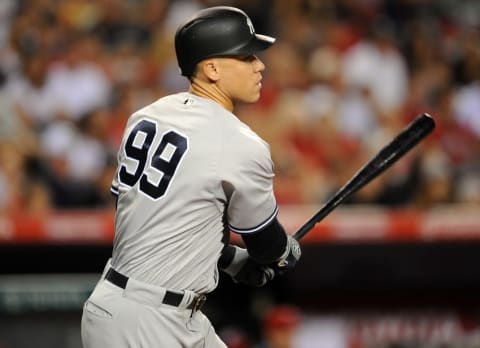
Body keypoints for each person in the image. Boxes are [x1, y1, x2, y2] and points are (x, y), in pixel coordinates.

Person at [81, 6, 301, 348]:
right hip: (149, 323)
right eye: (246, 57)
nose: (260, 65)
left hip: (136, 309)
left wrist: (228, 259)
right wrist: (283, 251)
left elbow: (159, 220)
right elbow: (266, 244)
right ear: (212, 68)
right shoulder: (241, 143)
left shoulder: (147, 115)